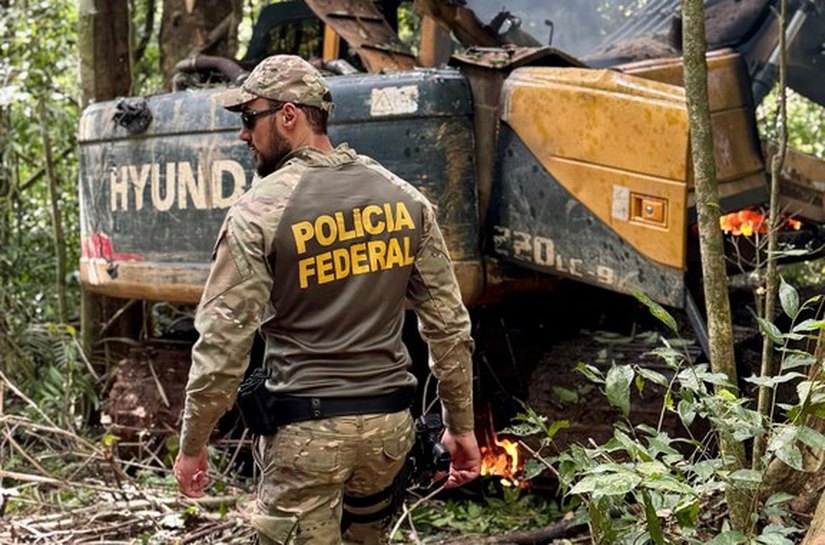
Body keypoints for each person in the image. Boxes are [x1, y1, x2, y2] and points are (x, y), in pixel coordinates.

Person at [173, 54, 480, 545]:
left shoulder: (258, 212)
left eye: (250, 118)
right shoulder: (405, 199)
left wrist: (193, 444)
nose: (243, 135)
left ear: (289, 115)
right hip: (388, 434)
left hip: (305, 438)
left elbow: (223, 344)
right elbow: (448, 326)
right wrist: (460, 427)